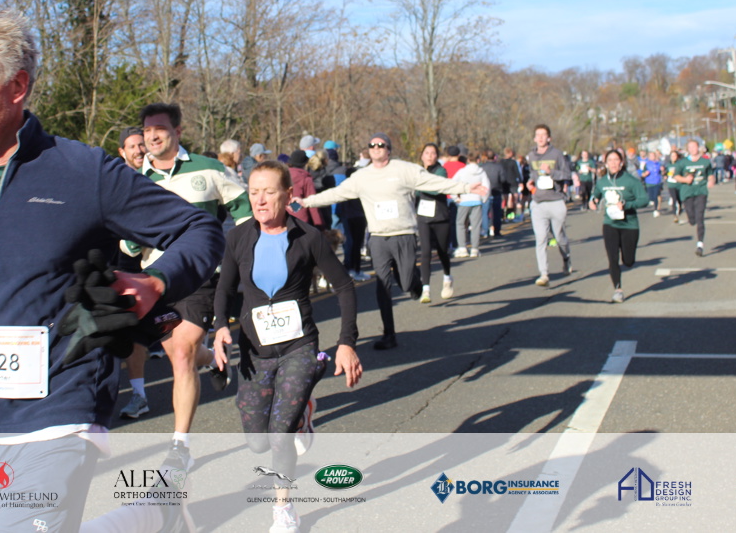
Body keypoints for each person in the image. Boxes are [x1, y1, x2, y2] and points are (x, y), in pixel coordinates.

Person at [0, 10, 223, 532]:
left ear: (17, 86)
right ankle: (156, 514)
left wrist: (157, 281)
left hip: (61, 404)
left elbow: (199, 229)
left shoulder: (83, 171)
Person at [212, 161, 362, 533]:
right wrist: (219, 328)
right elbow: (224, 288)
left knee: (280, 435)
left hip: (299, 346)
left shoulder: (308, 237)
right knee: (258, 443)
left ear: (288, 195)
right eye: (254, 192)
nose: (260, 200)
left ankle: (284, 507)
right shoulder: (238, 237)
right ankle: (303, 414)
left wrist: (346, 343)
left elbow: (344, 287)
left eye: (269, 192)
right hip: (255, 352)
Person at [139, 101, 253, 471]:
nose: (152, 136)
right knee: (179, 353)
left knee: (182, 354)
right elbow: (125, 235)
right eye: (147, 131)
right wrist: (128, 242)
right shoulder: (135, 180)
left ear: (177, 132)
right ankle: (214, 359)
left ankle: (180, 449)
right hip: (155, 280)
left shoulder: (209, 168)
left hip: (200, 276)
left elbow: (244, 210)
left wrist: (240, 254)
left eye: (160, 129)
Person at [296, 133, 483, 349]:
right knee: (383, 285)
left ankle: (414, 284)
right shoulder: (361, 177)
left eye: (381, 145)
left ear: (389, 149)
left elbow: (434, 182)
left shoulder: (404, 170)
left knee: (405, 282)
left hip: (404, 234)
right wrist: (306, 202)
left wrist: (465, 188)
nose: (376, 148)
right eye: (372, 145)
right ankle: (388, 334)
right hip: (378, 238)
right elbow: (337, 194)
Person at [115, 126, 156, 420]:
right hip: (120, 261)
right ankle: (138, 395)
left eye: (142, 145)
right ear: (122, 152)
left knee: (178, 341)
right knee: (126, 331)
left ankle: (210, 358)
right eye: (132, 146)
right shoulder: (115, 180)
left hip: (154, 263)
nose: (139, 150)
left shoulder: (158, 179)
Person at [590, 150, 647, 303]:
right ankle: (618, 289)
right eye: (610, 160)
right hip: (610, 224)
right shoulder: (602, 181)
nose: (613, 163)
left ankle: (628, 260)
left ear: (621, 162)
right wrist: (592, 201)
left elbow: (644, 200)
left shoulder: (631, 181)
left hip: (629, 224)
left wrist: (627, 205)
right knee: (612, 257)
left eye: (616, 160)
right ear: (606, 163)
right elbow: (596, 194)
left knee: (628, 261)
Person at [526, 125, 573, 287]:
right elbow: (532, 175)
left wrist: (551, 172)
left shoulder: (557, 154)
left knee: (559, 237)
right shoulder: (531, 156)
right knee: (541, 238)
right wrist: (530, 184)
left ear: (549, 138)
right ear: (534, 138)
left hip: (556, 200)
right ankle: (544, 274)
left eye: (543, 135)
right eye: (537, 135)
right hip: (538, 202)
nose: (540, 138)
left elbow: (567, 175)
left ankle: (566, 258)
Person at [416, 144, 454, 303]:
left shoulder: (441, 171)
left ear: (437, 156)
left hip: (440, 217)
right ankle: (426, 289)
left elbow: (437, 189)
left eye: (433, 153)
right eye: (427, 153)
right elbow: (414, 193)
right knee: (425, 252)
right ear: (422, 156)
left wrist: (419, 186)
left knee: (442, 251)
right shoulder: (417, 171)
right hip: (423, 217)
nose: (430, 156)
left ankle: (447, 278)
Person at [675, 139, 715, 257]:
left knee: (700, 217)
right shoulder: (682, 163)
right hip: (687, 192)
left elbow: (710, 174)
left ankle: (700, 245)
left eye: (695, 147)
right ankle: (691, 219)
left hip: (701, 191)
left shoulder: (705, 162)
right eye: (691, 147)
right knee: (692, 219)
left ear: (698, 148)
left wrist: (711, 181)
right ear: (688, 149)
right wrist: (685, 179)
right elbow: (676, 176)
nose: (693, 149)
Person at [452, 155, 490, 259]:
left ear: (468, 160)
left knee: (460, 224)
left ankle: (462, 247)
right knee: (475, 225)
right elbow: (487, 186)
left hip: (464, 201)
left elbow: (453, 183)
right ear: (478, 160)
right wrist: (483, 198)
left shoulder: (462, 171)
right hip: (476, 200)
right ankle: (474, 249)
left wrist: (455, 198)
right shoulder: (481, 172)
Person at [641, 150, 663, 216]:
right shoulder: (647, 164)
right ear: (649, 157)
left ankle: (656, 210)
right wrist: (645, 174)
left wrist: (663, 170)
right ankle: (652, 201)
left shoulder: (658, 164)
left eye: (653, 155)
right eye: (651, 156)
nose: (652, 157)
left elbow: (662, 172)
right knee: (651, 197)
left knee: (656, 196)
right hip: (649, 183)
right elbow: (643, 173)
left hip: (657, 182)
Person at [665, 149, 684, 223]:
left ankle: (680, 207)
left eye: (675, 156)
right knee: (674, 199)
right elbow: (667, 173)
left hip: (678, 184)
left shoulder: (679, 164)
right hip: (671, 184)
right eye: (672, 156)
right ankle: (674, 215)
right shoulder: (668, 165)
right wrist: (666, 175)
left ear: (677, 156)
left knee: (679, 199)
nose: (673, 157)